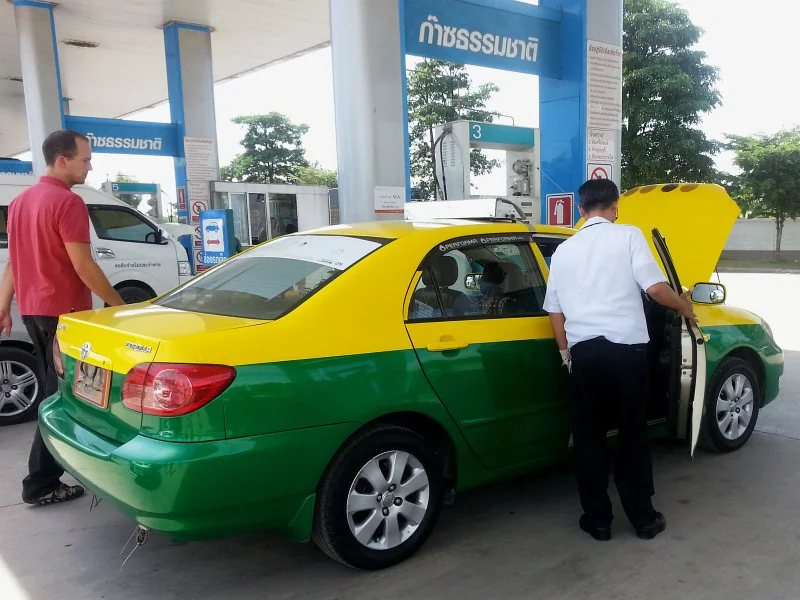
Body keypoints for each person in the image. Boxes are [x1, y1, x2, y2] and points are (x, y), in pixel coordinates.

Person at [543, 179, 697, 542]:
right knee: (632, 435)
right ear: (615, 207)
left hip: (584, 355)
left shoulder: (563, 250)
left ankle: (598, 521)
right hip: (627, 355)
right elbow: (655, 289)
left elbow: (555, 311)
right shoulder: (628, 235)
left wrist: (566, 354)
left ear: (581, 210)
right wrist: (684, 307)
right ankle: (643, 519)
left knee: (588, 438)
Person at [0, 129, 125, 506]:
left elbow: (13, 263)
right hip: (65, 315)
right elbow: (83, 265)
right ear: (62, 160)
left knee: (62, 394)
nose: (90, 167)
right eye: (85, 160)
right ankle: (40, 483)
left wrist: (3, 307)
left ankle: (54, 473)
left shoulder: (20, 202)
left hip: (34, 310)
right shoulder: (68, 202)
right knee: (64, 398)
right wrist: (119, 305)